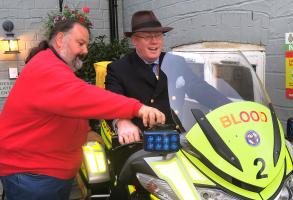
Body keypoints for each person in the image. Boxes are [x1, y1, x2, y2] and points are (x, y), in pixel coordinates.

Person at [0, 19, 165, 200]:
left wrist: (85, 131)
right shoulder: (46, 68)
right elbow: (83, 97)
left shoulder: (52, 66)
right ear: (60, 39)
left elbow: (66, 107)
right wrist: (137, 108)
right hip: (34, 176)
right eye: (80, 43)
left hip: (43, 173)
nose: (85, 50)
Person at [105, 10, 175, 145]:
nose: (154, 41)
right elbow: (110, 102)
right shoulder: (118, 69)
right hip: (140, 143)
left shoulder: (175, 62)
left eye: (158, 35)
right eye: (147, 37)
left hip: (177, 139)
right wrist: (121, 121)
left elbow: (200, 89)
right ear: (134, 40)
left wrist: (226, 106)